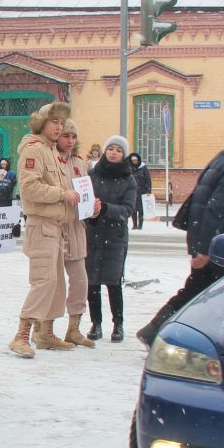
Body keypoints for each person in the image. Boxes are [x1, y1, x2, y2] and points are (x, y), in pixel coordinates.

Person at [137, 116, 224, 346]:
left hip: (212, 243)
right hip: (221, 248)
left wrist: (200, 246)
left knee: (195, 293)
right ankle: (163, 334)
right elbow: (217, 210)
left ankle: (156, 331)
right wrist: (205, 250)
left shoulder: (223, 160)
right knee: (211, 297)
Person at [8, 101, 79, 357]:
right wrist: (62, 194)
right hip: (41, 225)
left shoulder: (51, 151)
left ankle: (46, 332)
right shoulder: (34, 149)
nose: (59, 128)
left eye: (62, 123)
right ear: (42, 124)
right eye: (55, 122)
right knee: (43, 281)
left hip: (56, 227)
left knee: (56, 283)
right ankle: (22, 334)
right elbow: (29, 188)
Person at [86, 136, 137, 341]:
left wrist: (105, 208)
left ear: (123, 155)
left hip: (115, 236)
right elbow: (85, 200)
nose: (113, 152)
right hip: (93, 233)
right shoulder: (93, 175)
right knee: (92, 283)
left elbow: (128, 209)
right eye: (111, 149)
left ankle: (118, 325)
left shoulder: (128, 179)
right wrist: (90, 210)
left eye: (118, 150)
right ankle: (96, 324)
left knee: (113, 282)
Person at [54, 120, 98, 349]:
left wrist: (93, 207)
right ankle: (44, 329)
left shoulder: (80, 163)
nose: (70, 141)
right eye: (65, 136)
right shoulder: (48, 158)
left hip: (76, 229)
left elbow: (86, 193)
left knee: (81, 281)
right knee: (52, 283)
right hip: (54, 227)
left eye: (73, 137)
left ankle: (74, 328)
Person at [130, 154, 154, 229]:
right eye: (133, 160)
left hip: (142, 192)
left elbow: (148, 179)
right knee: (133, 209)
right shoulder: (130, 168)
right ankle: (134, 225)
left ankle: (140, 225)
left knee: (141, 210)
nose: (134, 162)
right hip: (132, 192)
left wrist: (148, 190)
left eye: (136, 160)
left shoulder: (143, 168)